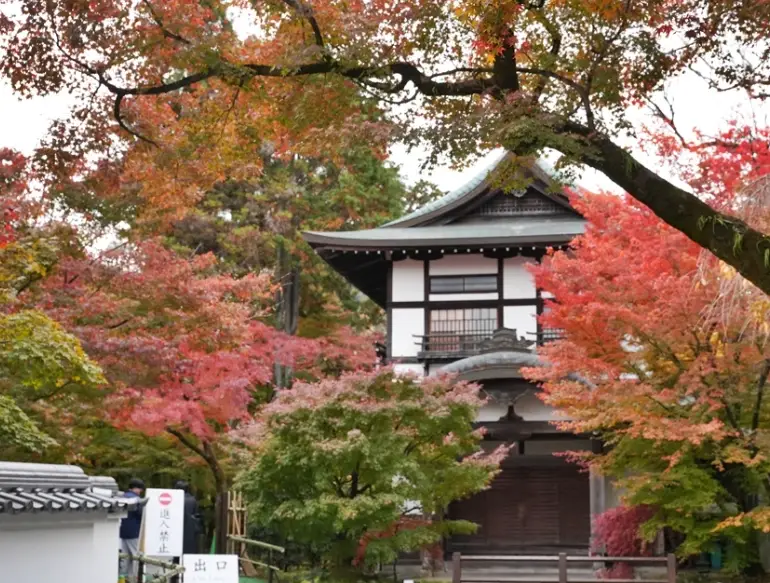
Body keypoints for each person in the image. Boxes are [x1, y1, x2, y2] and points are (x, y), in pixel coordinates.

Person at [119, 478, 145, 583]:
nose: (140, 492)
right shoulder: (137, 500)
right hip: (134, 532)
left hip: (122, 532)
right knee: (135, 557)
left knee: (124, 558)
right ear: (137, 488)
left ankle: (121, 579)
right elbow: (141, 515)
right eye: (140, 489)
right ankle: (133, 579)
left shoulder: (122, 497)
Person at [174, 480, 202, 555]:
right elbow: (197, 515)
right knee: (189, 549)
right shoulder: (193, 500)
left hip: (178, 528)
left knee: (178, 549)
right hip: (191, 528)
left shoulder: (175, 499)